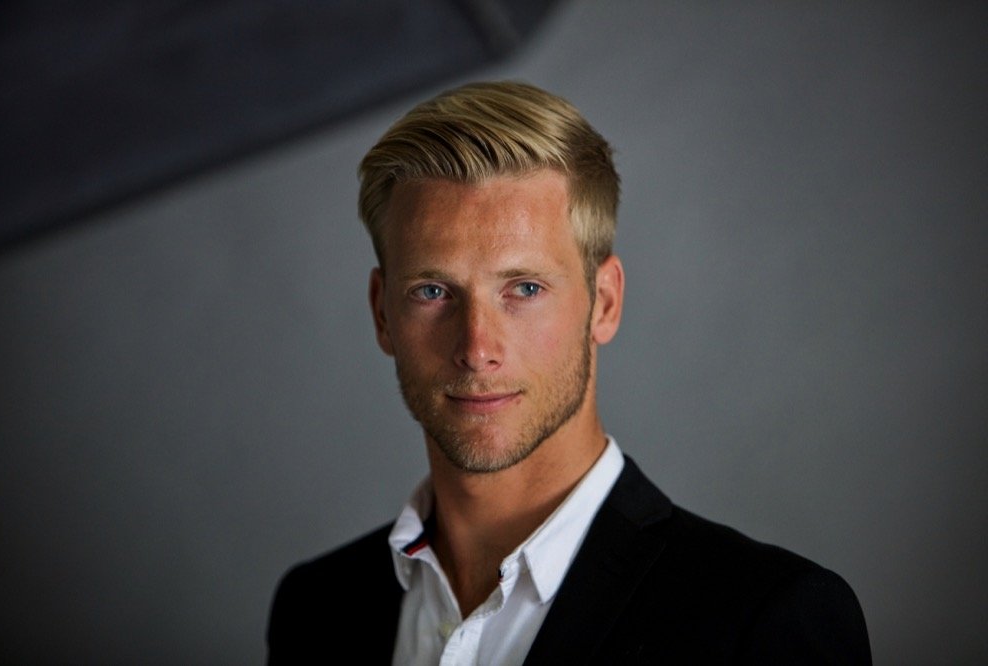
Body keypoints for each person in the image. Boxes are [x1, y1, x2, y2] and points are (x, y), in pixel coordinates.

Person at [266, 80, 871, 664]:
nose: (477, 348)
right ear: (382, 313)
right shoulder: (315, 610)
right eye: (432, 291)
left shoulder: (763, 622)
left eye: (525, 288)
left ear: (604, 302)